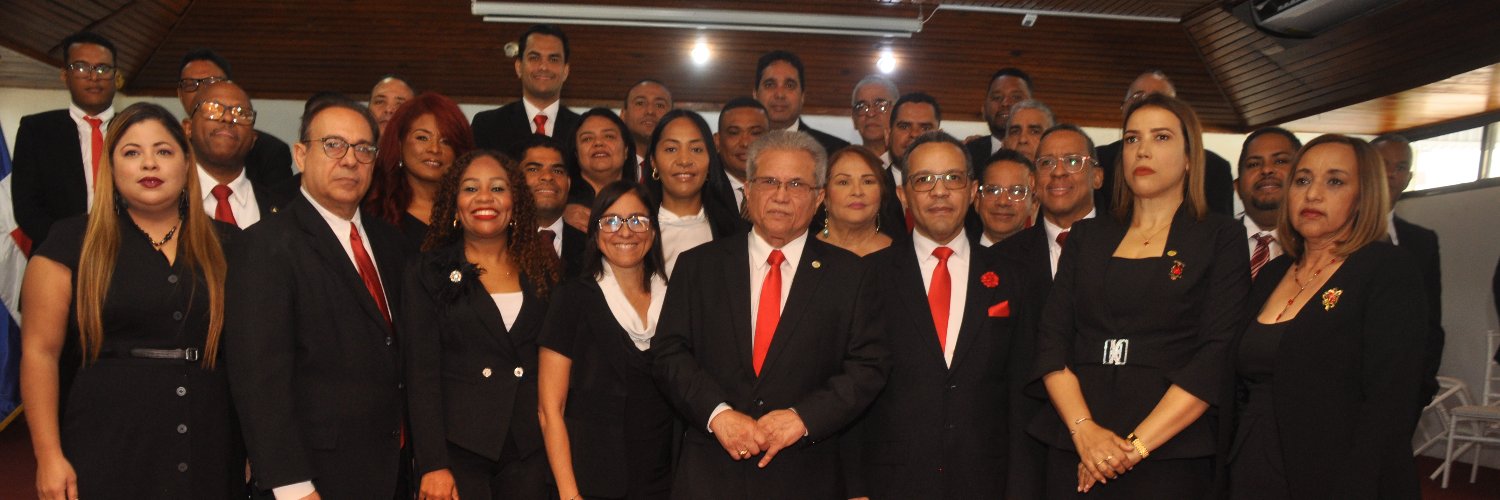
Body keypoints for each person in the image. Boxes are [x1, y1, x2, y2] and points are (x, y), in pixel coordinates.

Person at [21, 102, 241, 499]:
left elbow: (253, 357)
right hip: (107, 440)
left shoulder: (231, 245)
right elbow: (40, 353)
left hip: (212, 440)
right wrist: (48, 455)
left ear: (186, 162)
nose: (149, 165)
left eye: (163, 151)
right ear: (111, 166)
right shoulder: (70, 242)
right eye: (132, 153)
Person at [652, 130, 888, 498]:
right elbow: (669, 353)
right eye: (769, 182)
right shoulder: (699, 267)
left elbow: (868, 366)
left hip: (807, 475)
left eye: (796, 184)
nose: (780, 196)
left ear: (819, 197)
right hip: (711, 474)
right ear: (747, 189)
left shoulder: (851, 276)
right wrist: (718, 414)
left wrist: (803, 417)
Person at [1033, 94, 1248, 498]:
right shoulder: (1087, 236)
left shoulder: (1219, 237)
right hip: (1078, 443)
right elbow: (1052, 340)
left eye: (1161, 137)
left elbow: (1216, 356)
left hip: (1169, 451)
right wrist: (1085, 433)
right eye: (1132, 139)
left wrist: (1133, 449)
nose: (1143, 150)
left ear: (1189, 157)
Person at [224, 97, 411, 498]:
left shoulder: (391, 244)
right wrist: (292, 485)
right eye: (333, 144)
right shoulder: (265, 246)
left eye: (364, 149)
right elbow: (260, 379)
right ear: (301, 154)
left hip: (391, 474)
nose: (350, 160)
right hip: (313, 478)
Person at [1227, 134, 1426, 499]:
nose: (1312, 194)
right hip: (1252, 465)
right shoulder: (1274, 272)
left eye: (1334, 181)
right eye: (1302, 180)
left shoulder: (1386, 270)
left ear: (1364, 195)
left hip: (1336, 476)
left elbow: (1390, 405)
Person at [842, 132, 1022, 498]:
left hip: (986, 480)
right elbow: (851, 387)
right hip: (890, 482)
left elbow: (1021, 393)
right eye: (924, 180)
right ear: (904, 195)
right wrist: (854, 488)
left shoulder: (1014, 276)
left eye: (953, 178)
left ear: (972, 190)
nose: (939, 192)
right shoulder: (867, 277)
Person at [401, 150, 561, 500]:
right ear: (454, 204)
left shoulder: (543, 271)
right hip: (459, 449)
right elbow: (421, 374)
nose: (485, 198)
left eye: (498, 188)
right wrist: (432, 464)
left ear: (515, 202)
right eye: (471, 188)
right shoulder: (427, 271)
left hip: (530, 449)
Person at [538, 181, 676, 500]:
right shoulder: (572, 298)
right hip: (591, 478)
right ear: (595, 234)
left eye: (637, 220)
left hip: (665, 475)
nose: (624, 232)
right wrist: (570, 494)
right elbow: (549, 409)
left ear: (653, 232)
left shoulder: (677, 299)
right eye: (611, 221)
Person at [991, 124, 1102, 500]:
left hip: (1113, 433)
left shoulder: (1132, 246)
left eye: (1073, 161)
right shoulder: (1001, 260)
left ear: (1097, 175)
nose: (1058, 171)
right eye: (1046, 163)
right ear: (1035, 181)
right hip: (1025, 444)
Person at [11, 32, 118, 247]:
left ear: (116, 75)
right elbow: (27, 207)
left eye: (103, 68)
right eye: (81, 67)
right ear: (64, 75)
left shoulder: (136, 128)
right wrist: (70, 245)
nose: (93, 77)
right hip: (58, 253)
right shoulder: (37, 130)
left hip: (126, 254)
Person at [1370, 133, 1444, 415]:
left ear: (1408, 178)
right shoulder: (1332, 233)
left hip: (1402, 391)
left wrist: (1424, 384)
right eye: (1382, 164)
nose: (1390, 174)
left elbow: (1431, 321)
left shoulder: (1422, 241)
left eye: (1400, 167)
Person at [1093, 70, 1235, 216]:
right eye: (1138, 97)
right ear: (1123, 109)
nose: (1147, 105)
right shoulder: (1099, 160)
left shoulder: (1213, 167)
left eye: (1161, 137)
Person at [641, 110, 745, 275]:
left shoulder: (737, 235)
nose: (684, 161)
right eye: (671, 149)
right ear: (653, 161)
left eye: (696, 149)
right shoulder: (633, 231)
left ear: (711, 160)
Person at [365, 92, 476, 246]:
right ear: (399, 143)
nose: (435, 149)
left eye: (446, 141)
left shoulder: (473, 209)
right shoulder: (372, 211)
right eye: (422, 138)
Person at [176, 48, 296, 189]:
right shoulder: (167, 147)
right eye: (190, 85)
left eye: (212, 82)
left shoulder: (268, 151)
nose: (202, 91)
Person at [184, 80, 285, 228]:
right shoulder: (164, 201)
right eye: (213, 109)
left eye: (241, 113)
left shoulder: (283, 210)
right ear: (188, 128)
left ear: (253, 139)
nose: (228, 118)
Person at [472, 24, 582, 154]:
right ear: (519, 67)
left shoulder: (581, 129)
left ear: (565, 71)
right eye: (534, 58)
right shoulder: (487, 126)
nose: (543, 67)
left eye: (553, 59)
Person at [514, 134, 587, 275]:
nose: (547, 176)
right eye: (533, 169)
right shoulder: (497, 243)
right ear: (514, 180)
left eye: (557, 171)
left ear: (569, 183)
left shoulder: (591, 247)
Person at [1235, 127, 1301, 280]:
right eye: (1253, 164)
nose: (1266, 170)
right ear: (1237, 187)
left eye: (1280, 161)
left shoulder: (1320, 248)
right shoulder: (1211, 242)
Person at [753, 50, 850, 155]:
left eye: (790, 85)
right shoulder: (741, 149)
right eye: (770, 85)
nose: (780, 94)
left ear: (802, 96)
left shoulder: (836, 151)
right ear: (755, 94)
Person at [563, 108, 639, 231]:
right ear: (576, 153)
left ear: (626, 150)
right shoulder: (561, 207)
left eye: (609, 136)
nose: (598, 143)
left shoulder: (643, 201)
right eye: (587, 139)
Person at [816, 147, 893, 257]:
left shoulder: (904, 257)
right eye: (843, 182)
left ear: (882, 192)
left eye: (867, 182)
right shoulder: (801, 255)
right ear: (824, 196)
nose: (857, 192)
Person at [965, 68, 1033, 173]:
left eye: (1016, 97)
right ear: (983, 109)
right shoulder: (966, 154)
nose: (1005, 103)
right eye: (997, 97)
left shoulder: (1044, 151)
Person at [714, 97, 771, 212]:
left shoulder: (787, 187)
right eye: (734, 133)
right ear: (717, 141)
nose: (745, 143)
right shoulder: (700, 191)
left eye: (755, 133)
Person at [973, 149, 1036, 247]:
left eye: (1016, 191)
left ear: (1033, 204)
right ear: (977, 201)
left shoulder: (1051, 260)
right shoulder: (957, 260)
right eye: (993, 190)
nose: (1003, 202)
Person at [621, 79, 673, 176]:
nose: (650, 111)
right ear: (623, 115)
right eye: (640, 103)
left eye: (659, 105)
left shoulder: (681, 166)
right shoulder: (610, 165)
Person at [849, 75, 899, 165]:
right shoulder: (846, 166)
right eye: (862, 106)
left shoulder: (910, 163)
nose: (871, 114)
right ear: (854, 118)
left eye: (880, 105)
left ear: (897, 112)